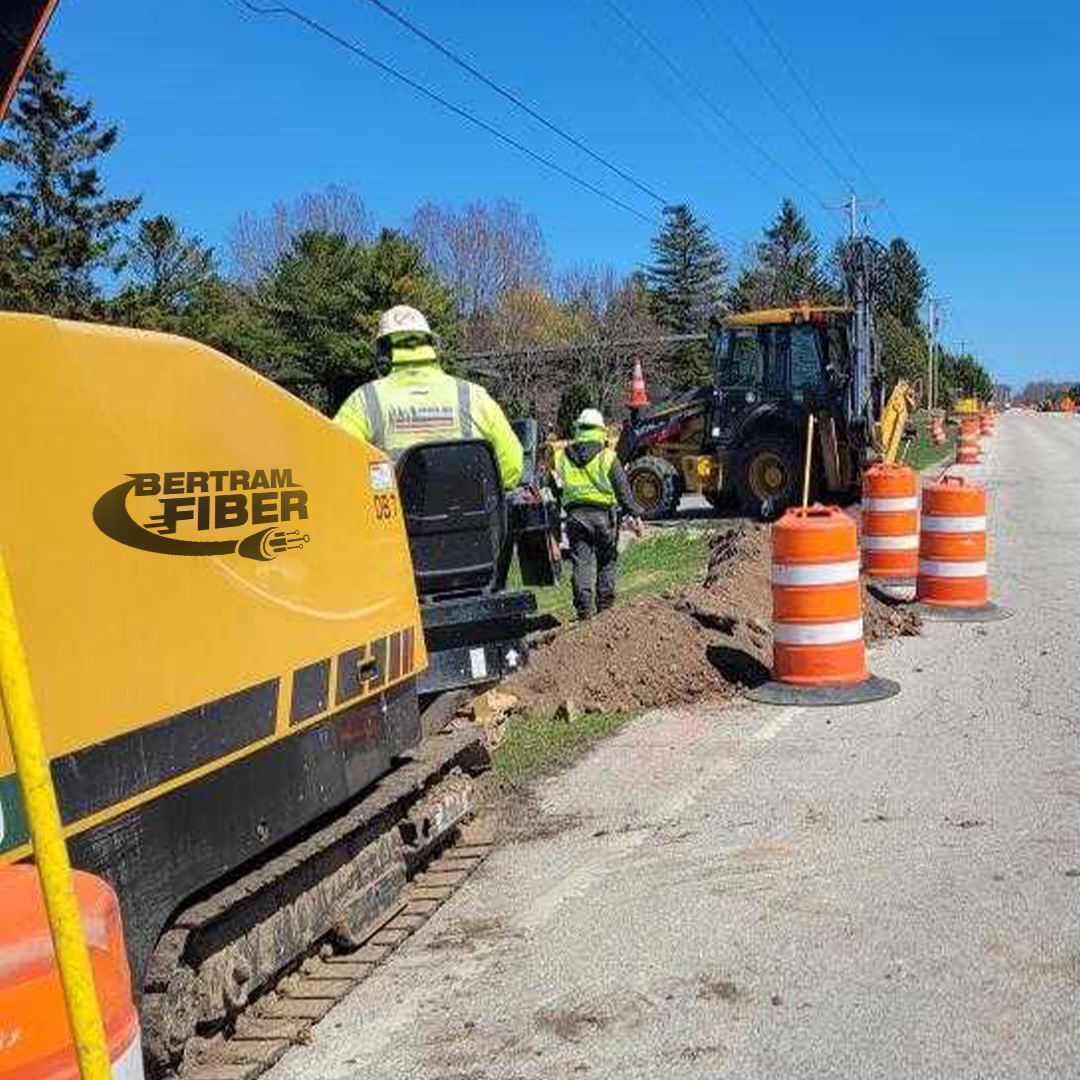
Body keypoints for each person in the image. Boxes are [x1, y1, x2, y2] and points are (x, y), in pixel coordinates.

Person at [334, 304, 524, 489]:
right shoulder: (474, 397)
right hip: (471, 521)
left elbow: (334, 464)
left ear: (383, 354)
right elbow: (512, 467)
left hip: (392, 520)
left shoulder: (364, 401)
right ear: (433, 346)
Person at [552, 408, 645, 621]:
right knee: (606, 562)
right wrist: (636, 516)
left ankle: (584, 611)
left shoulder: (562, 458)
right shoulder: (607, 457)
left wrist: (554, 534)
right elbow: (623, 492)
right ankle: (605, 611)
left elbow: (554, 495)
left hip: (575, 518)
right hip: (604, 518)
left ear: (578, 429)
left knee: (581, 563)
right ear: (600, 430)